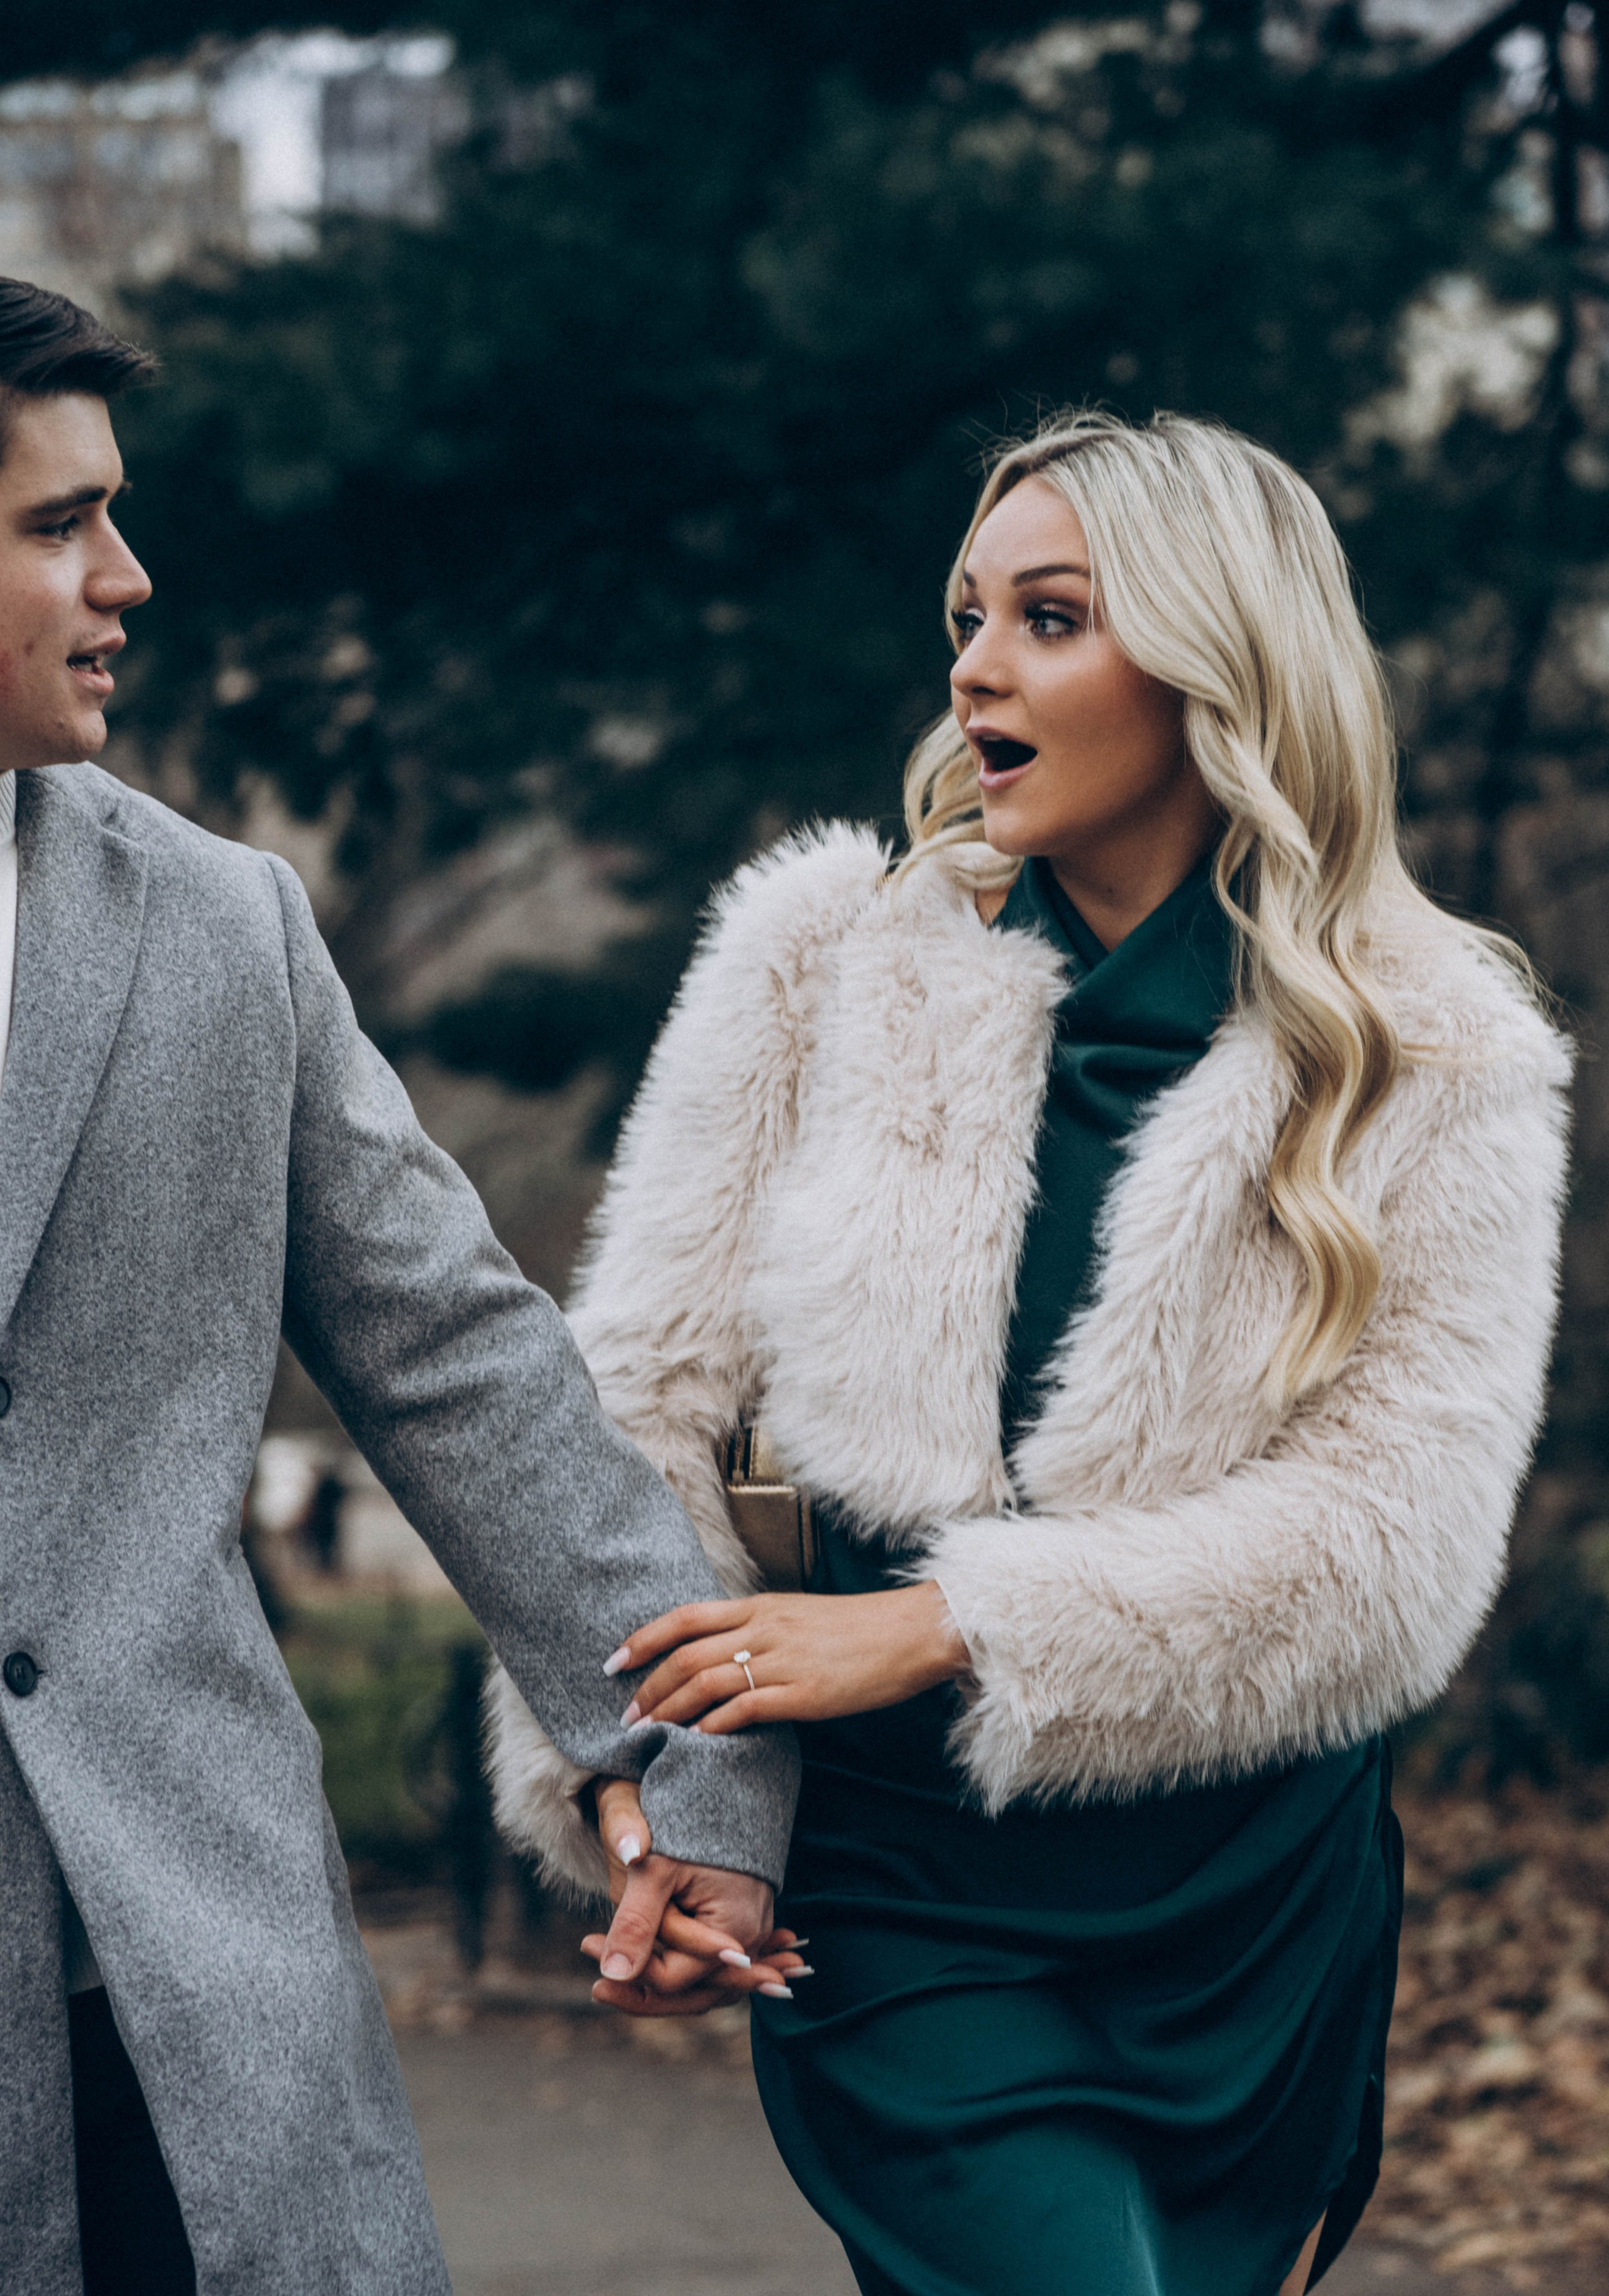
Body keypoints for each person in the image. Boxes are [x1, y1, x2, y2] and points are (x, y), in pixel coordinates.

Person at [489, 410, 1571, 2294]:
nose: (975, 666)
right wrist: (665, 1802)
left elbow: (1394, 1545)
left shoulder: (1439, 1049)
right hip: (911, 1909)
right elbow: (639, 1424)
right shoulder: (819, 960)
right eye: (967, 616)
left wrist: (946, 1622)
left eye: (1050, 617)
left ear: (1213, 665)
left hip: (1253, 1930)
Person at [0, 275, 801, 2296]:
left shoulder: (215, 932)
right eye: (53, 524)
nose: (128, 574)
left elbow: (463, 1363)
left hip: (163, 1985)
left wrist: (676, 1761)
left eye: (111, 511)